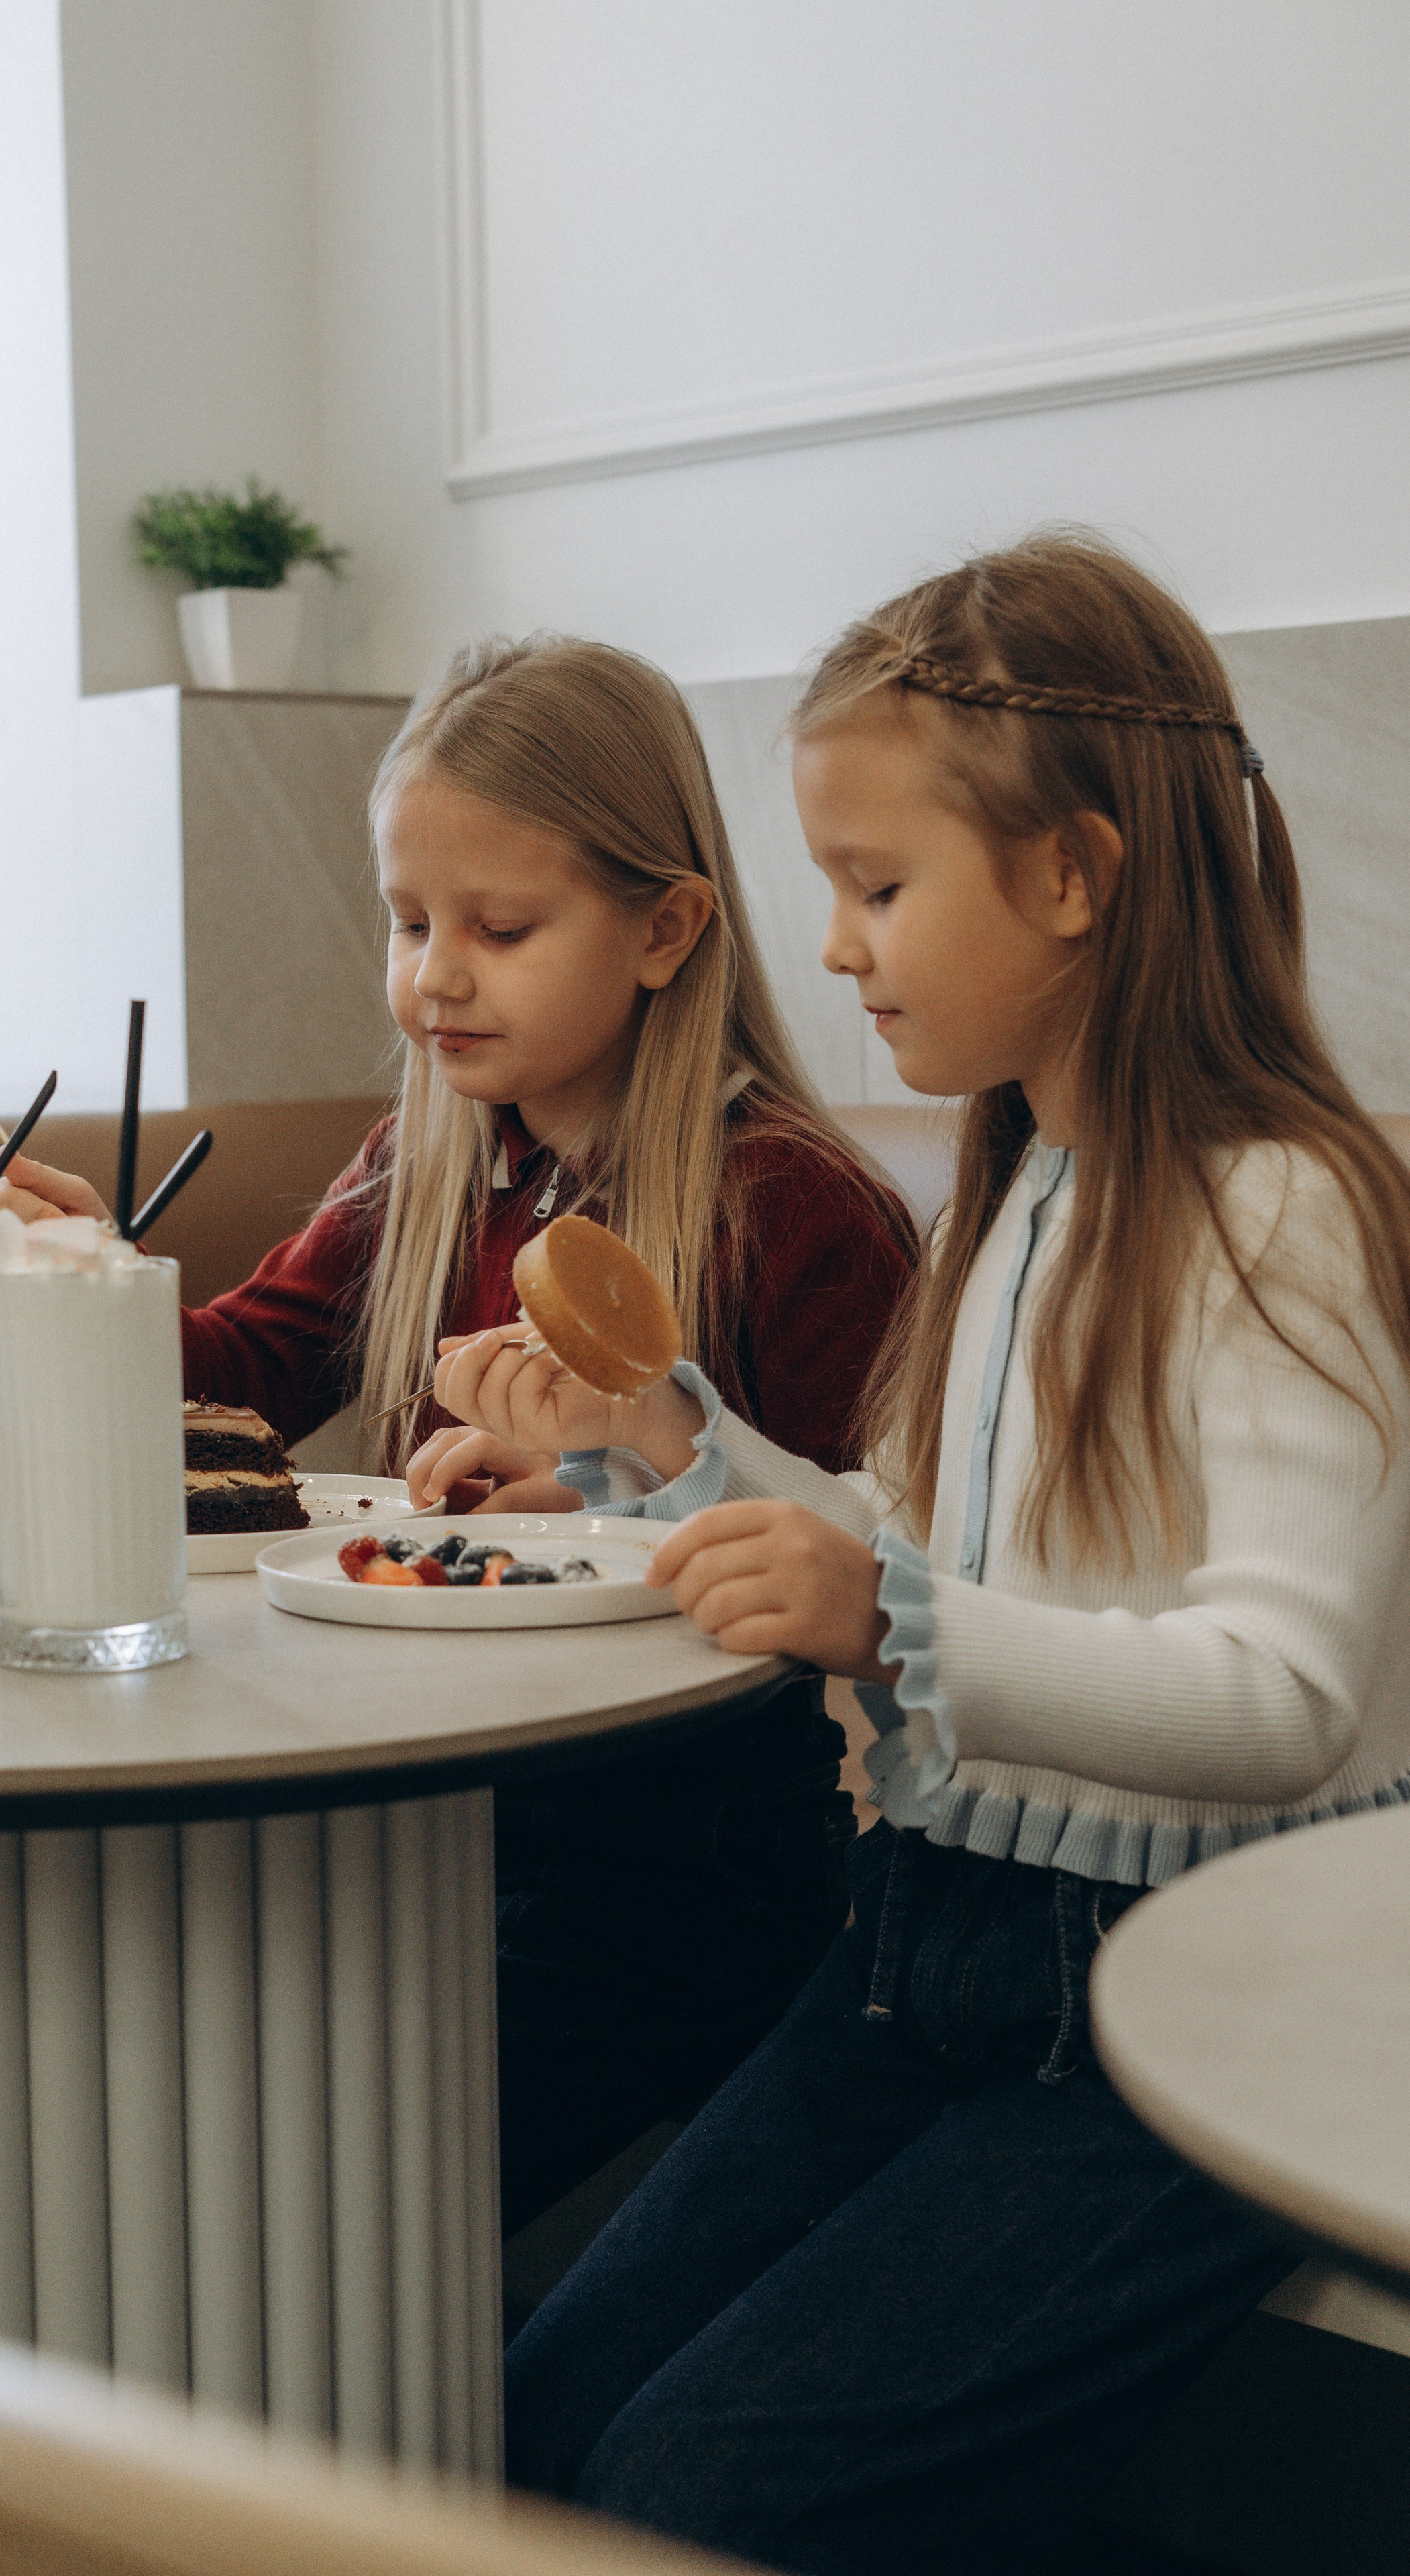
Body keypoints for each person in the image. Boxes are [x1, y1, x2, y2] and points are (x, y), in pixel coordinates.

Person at [439, 537, 1410, 2573]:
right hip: (924, 1953)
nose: (844, 946)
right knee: (523, 2424)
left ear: (1075, 875)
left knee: (709, 2491)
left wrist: (892, 1615)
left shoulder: (1282, 1211)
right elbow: (917, 1542)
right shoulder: (1017, 1183)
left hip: (1182, 1997)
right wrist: (667, 1455)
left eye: (882, 888)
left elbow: (1284, 1693)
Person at [0, 633, 914, 2236]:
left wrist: (603, 1477)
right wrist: (89, 1290)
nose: (434, 976)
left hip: (672, 1875)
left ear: (664, 927)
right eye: (409, 924)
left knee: (306, 2195)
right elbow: (246, 1376)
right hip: (416, 1830)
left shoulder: (789, 1206)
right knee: (131, 2080)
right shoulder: (429, 1166)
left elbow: (864, 1556)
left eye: (498, 928)